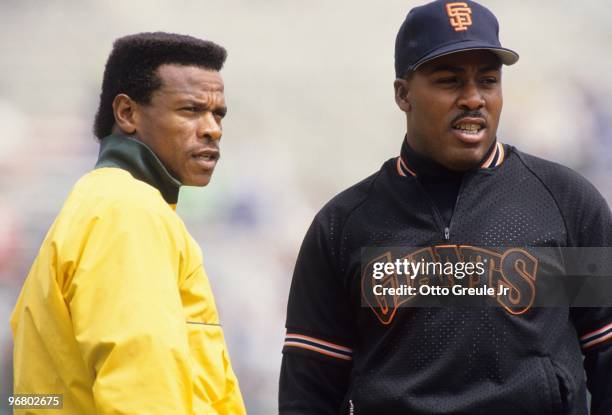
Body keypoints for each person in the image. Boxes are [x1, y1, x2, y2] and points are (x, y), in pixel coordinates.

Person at [279, 1, 612, 414]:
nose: (473, 99)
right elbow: (309, 392)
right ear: (403, 93)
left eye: (487, 81)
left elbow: (606, 354)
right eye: (449, 81)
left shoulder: (564, 202)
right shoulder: (345, 224)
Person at [11, 32, 246, 414]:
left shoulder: (100, 203)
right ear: (127, 114)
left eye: (217, 114)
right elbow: (143, 393)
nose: (212, 129)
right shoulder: (127, 214)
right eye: (190, 110)